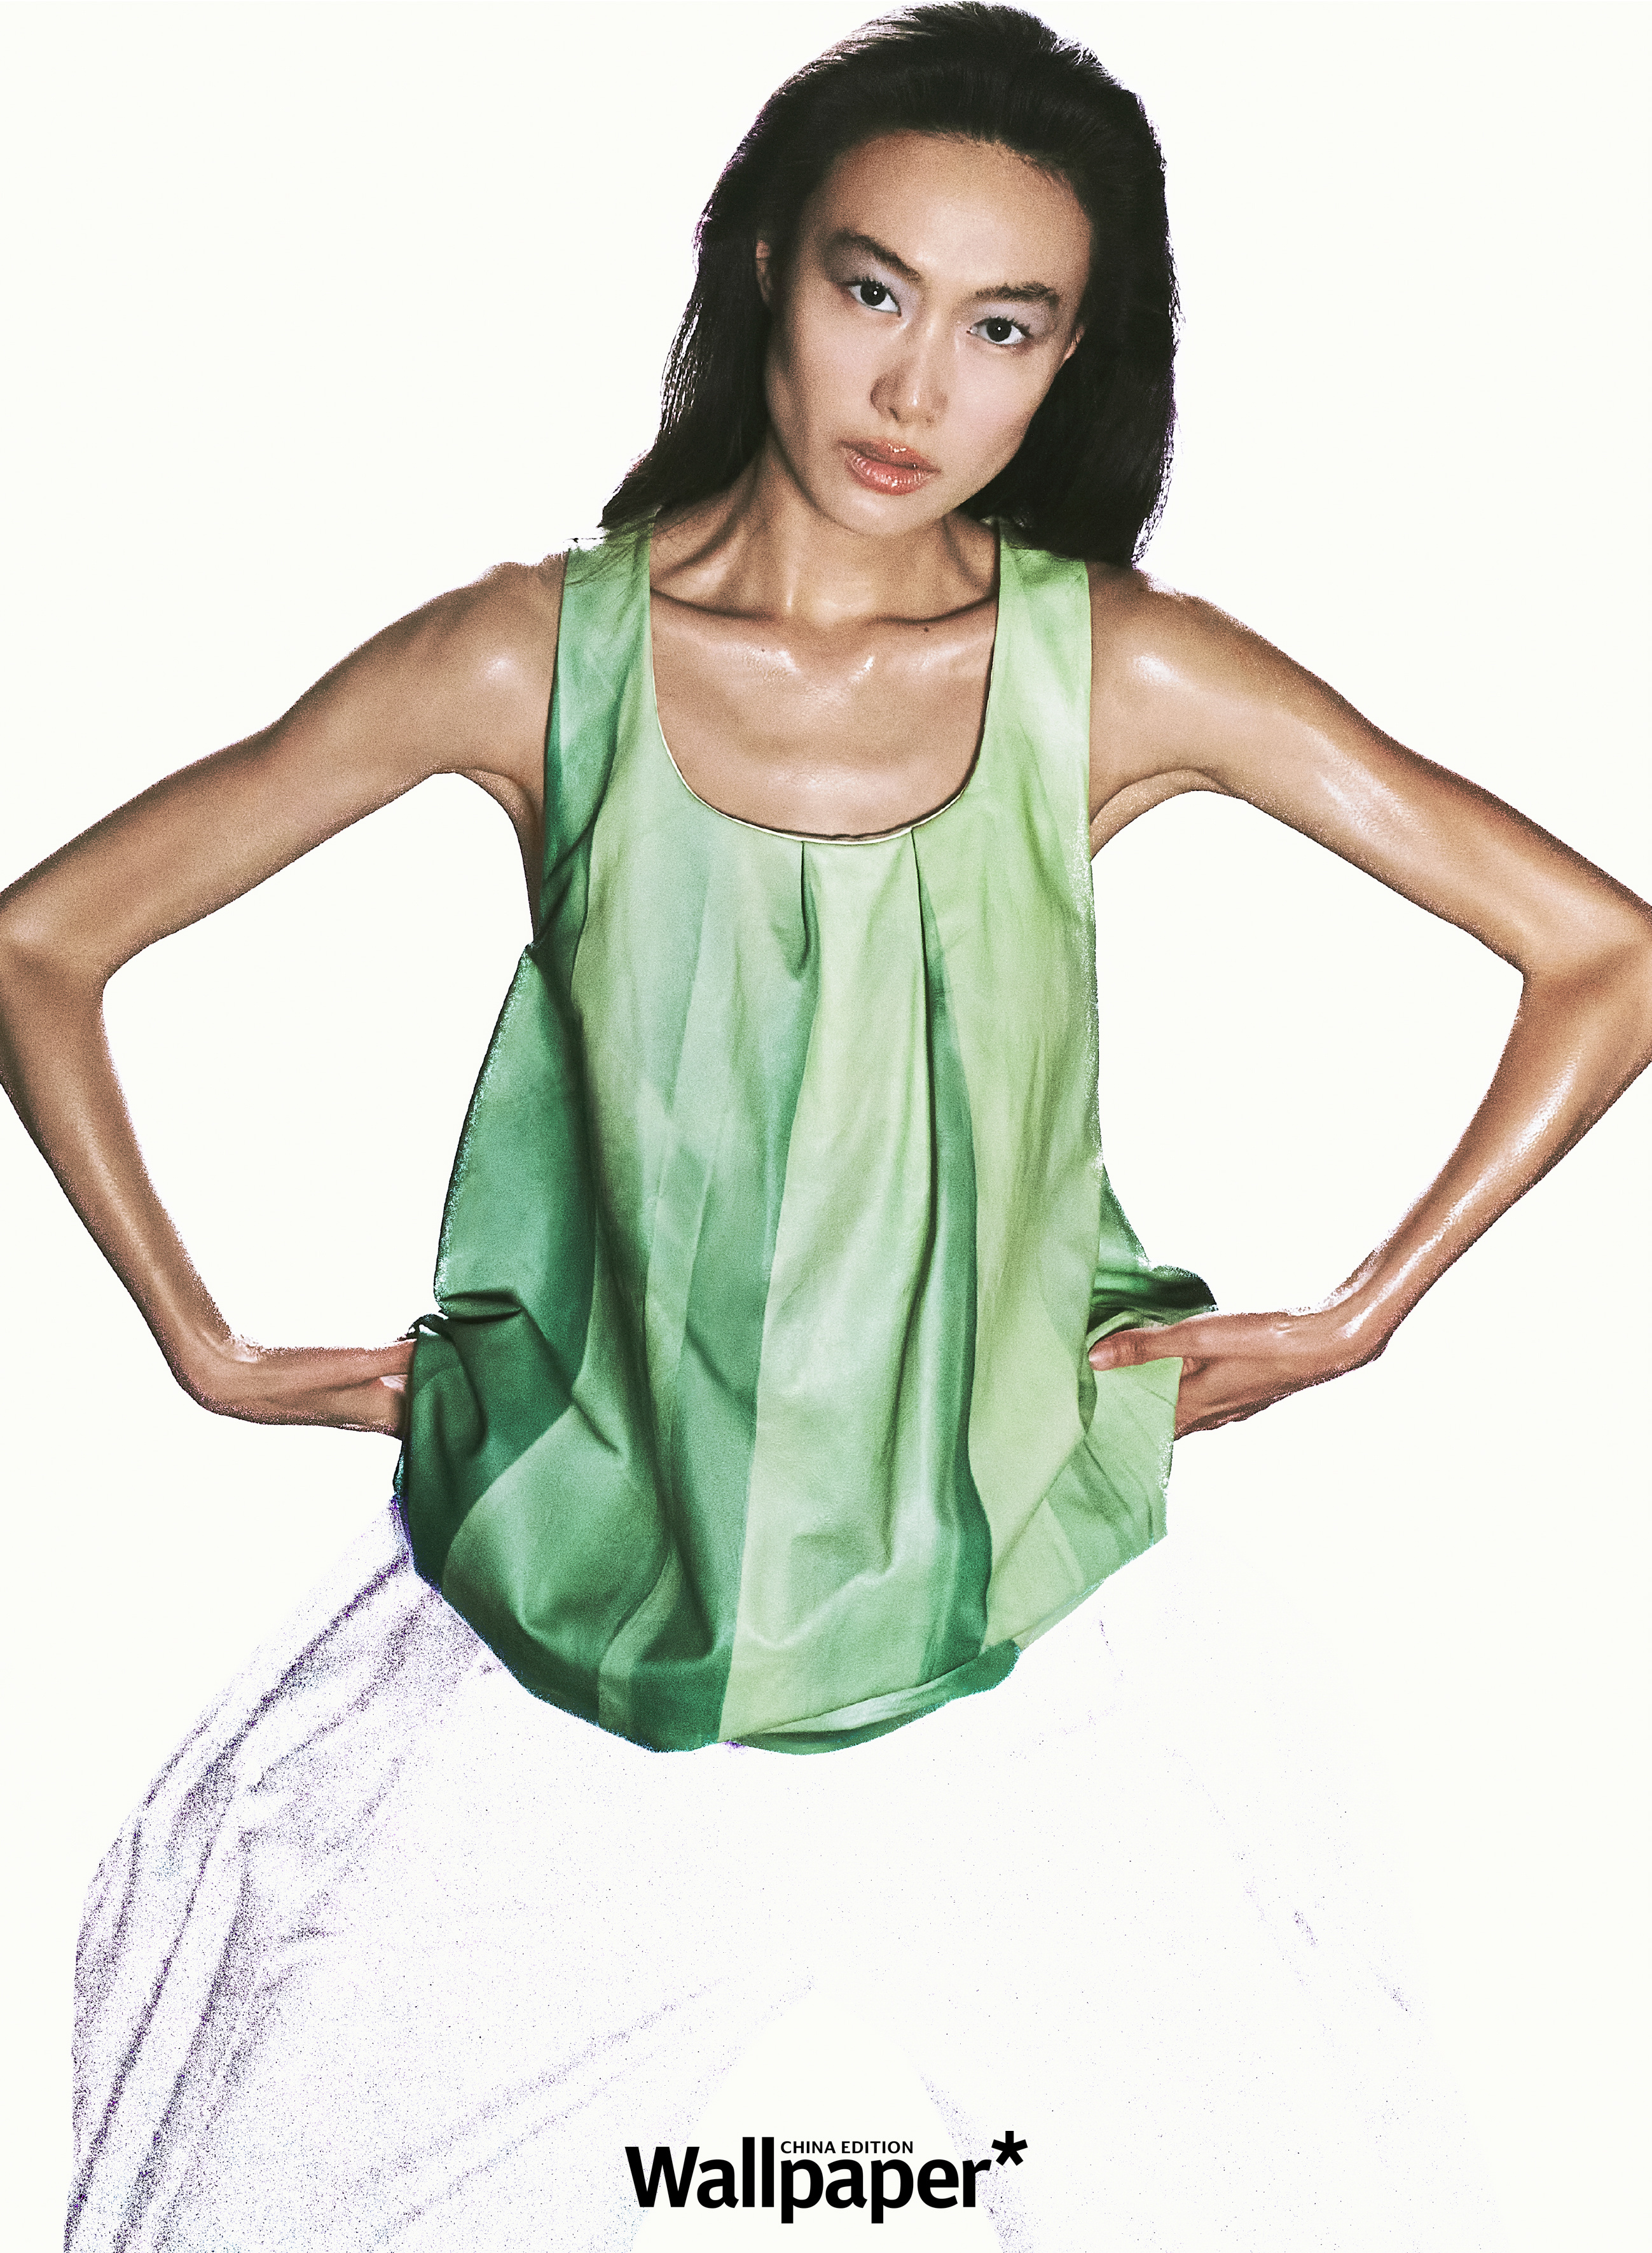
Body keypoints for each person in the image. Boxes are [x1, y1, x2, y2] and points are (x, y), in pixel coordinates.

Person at [2, 4, 1646, 2247]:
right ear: (766, 265)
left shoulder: (1117, 671)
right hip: (575, 1603)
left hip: (1011, 1600)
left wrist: (1366, 1312)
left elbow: (1602, 954)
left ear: (1070, 364)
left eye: (1002, 327)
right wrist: (199, 1344)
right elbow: (47, 945)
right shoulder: (526, 657)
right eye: (874, 289)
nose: (914, 389)